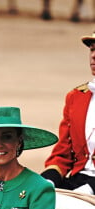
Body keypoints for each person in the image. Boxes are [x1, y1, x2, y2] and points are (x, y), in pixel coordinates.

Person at [41, 31, 95, 195]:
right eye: (92, 49)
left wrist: (91, 189)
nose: (93, 56)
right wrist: (48, 180)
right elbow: (63, 153)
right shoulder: (76, 97)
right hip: (78, 180)